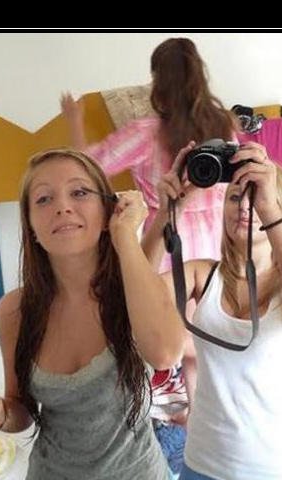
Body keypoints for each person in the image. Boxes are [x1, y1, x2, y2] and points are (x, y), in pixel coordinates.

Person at [0, 148, 185, 480]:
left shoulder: (133, 289)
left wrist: (125, 234)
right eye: (44, 199)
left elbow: (165, 353)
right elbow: (20, 409)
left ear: (107, 210)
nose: (62, 207)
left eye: (79, 192)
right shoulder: (15, 310)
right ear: (31, 226)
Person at [145, 140, 282, 480]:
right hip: (205, 469)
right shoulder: (201, 275)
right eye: (235, 197)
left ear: (280, 206)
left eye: (257, 197)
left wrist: (270, 209)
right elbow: (133, 298)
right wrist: (167, 213)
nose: (244, 207)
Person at [61, 37, 239, 424]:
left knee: (173, 336)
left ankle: (188, 409)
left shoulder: (147, 132)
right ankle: (200, 413)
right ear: (200, 76)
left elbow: (87, 166)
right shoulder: (224, 126)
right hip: (216, 242)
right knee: (203, 332)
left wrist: (74, 121)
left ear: (158, 83)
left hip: (167, 241)